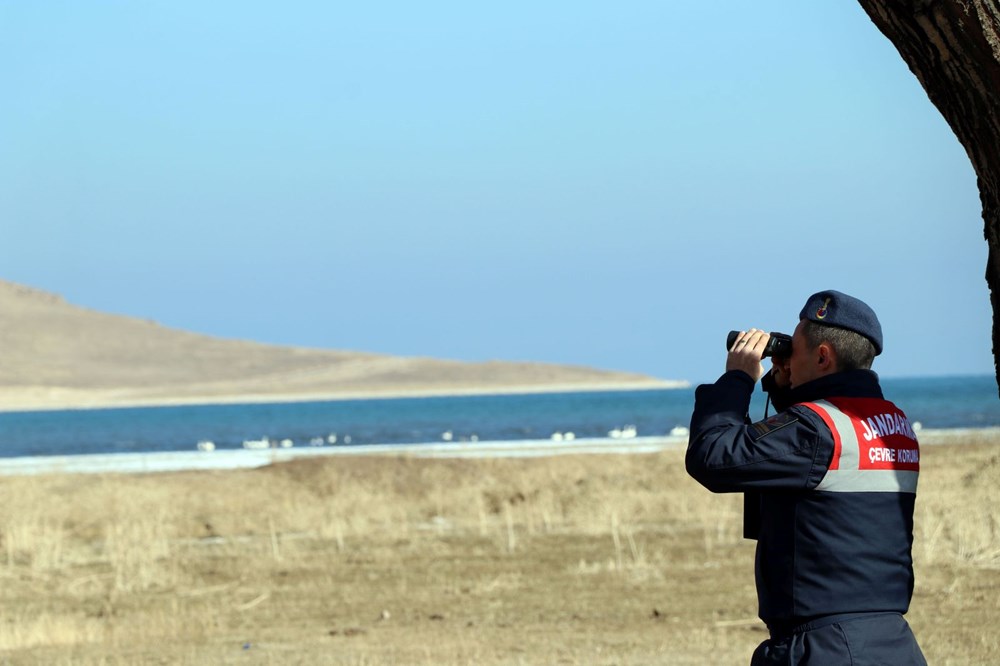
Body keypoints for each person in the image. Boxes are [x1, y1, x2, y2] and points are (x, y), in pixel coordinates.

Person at [686, 290, 926, 665]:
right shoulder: (894, 424)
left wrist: (737, 378)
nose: (785, 358)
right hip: (890, 640)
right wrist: (785, 386)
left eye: (793, 350)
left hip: (826, 648)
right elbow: (805, 460)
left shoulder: (816, 431)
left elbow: (712, 457)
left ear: (823, 356)